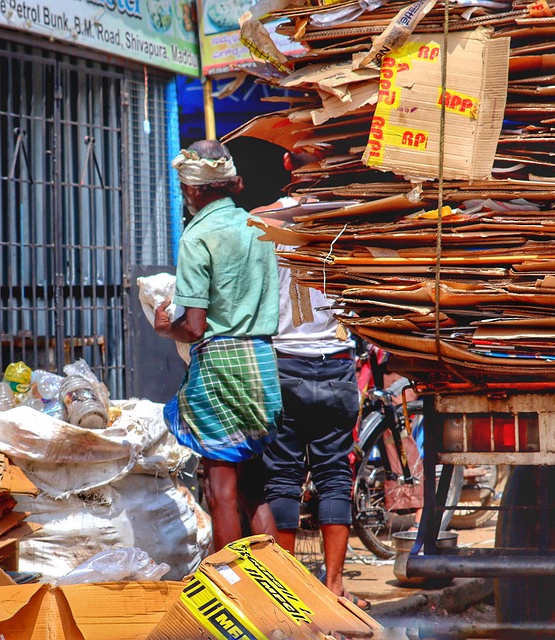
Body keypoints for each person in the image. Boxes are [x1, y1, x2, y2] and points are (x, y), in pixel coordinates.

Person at [154, 140, 283, 551]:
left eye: (183, 188)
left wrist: (164, 328)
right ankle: (279, 587)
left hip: (221, 366)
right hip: (262, 364)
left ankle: (233, 586)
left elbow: (194, 327)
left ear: (193, 190)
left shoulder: (198, 237)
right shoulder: (256, 227)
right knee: (252, 489)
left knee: (220, 490)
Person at [264, 264, 369, 610]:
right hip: (336, 364)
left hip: (285, 362)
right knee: (335, 474)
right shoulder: (336, 229)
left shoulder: (271, 228)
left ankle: (284, 590)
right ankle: (334, 585)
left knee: (282, 477)